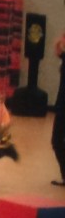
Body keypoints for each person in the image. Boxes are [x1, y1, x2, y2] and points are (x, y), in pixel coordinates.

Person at [52, 30, 65, 186]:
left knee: (57, 140)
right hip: (61, 104)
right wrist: (60, 40)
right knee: (57, 141)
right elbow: (58, 51)